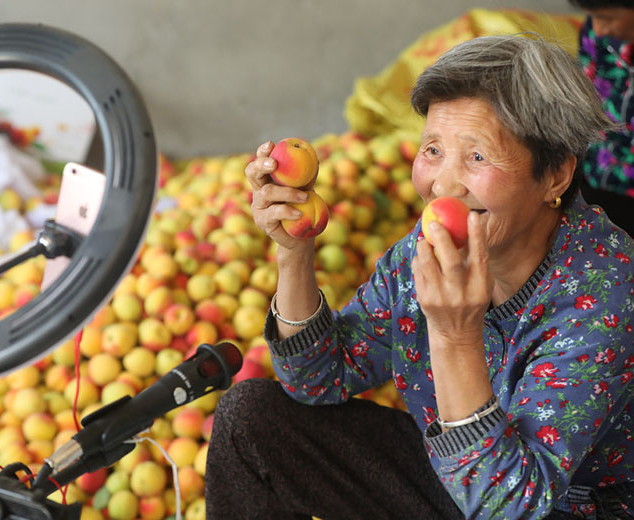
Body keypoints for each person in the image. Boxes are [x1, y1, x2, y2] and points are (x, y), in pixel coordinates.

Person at [205, 34, 634, 520]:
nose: (443, 185)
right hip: (452, 477)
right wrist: (295, 250)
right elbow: (317, 379)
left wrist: (455, 335)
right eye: (432, 150)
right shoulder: (425, 249)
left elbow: (510, 507)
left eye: (476, 157)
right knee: (253, 420)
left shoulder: (608, 292)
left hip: (555, 508)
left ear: (555, 175)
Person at [570, 0, 634, 236]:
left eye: (607, 18)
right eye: (592, 16)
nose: (598, 28)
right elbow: (585, 101)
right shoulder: (596, 37)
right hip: (598, 174)